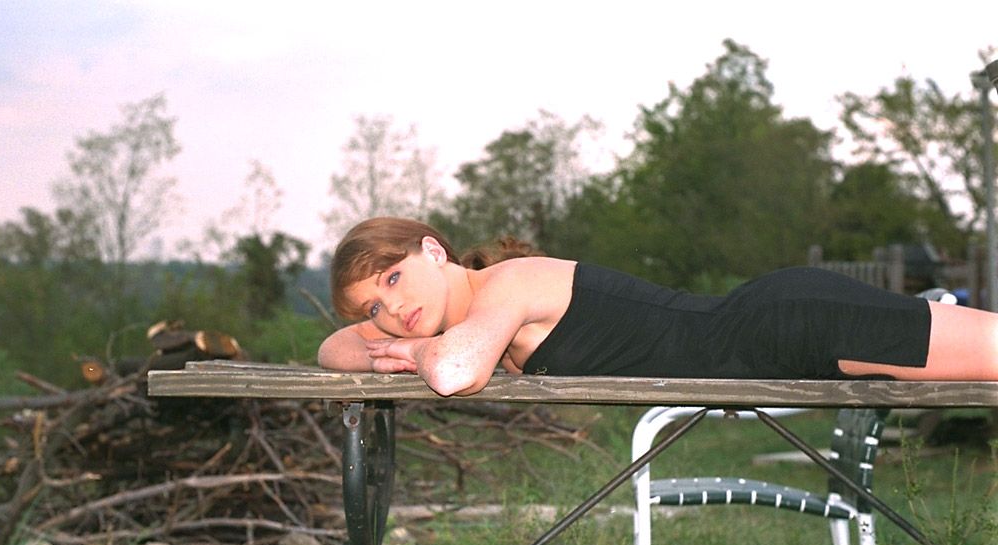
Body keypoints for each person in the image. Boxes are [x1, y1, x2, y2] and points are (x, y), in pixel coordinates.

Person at [317, 217, 998, 396]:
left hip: (796, 323)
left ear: (433, 251)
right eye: (372, 307)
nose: (390, 309)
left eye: (394, 278)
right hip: (776, 341)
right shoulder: (476, 321)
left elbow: (453, 373)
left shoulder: (508, 285)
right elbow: (332, 349)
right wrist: (396, 345)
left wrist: (414, 350)